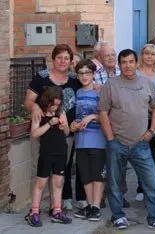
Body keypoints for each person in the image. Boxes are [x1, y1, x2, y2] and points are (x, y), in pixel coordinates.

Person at [99, 49, 155, 230]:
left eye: (131, 62)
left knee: (152, 182)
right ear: (119, 64)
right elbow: (103, 112)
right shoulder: (110, 85)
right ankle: (118, 216)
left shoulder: (146, 83)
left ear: (135, 63)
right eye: (124, 62)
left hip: (141, 144)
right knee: (115, 184)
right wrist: (110, 137)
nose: (128, 65)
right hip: (117, 143)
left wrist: (152, 131)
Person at [24, 44, 84, 211]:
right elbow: (28, 101)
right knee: (39, 167)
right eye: (59, 57)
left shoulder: (74, 79)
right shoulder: (41, 78)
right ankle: (34, 207)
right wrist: (34, 107)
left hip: (65, 133)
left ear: (71, 61)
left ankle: (54, 207)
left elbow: (88, 88)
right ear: (53, 59)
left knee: (60, 169)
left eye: (66, 58)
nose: (63, 61)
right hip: (41, 133)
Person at [25, 87, 72, 227]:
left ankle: (56, 211)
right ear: (47, 101)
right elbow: (34, 134)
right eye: (54, 104)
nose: (56, 107)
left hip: (61, 152)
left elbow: (67, 132)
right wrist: (48, 124)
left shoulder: (61, 112)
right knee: (41, 183)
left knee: (58, 183)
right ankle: (34, 212)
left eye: (58, 104)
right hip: (46, 153)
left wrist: (65, 127)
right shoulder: (40, 114)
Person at [71, 60, 107, 222]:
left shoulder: (101, 92)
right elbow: (75, 116)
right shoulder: (77, 92)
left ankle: (96, 206)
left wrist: (93, 116)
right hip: (81, 140)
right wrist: (73, 124)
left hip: (98, 140)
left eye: (87, 73)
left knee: (97, 175)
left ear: (93, 74)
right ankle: (91, 205)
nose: (84, 76)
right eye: (81, 73)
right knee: (85, 175)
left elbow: (109, 115)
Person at [134, 44, 155, 202]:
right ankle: (141, 187)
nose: (149, 57)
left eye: (153, 54)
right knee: (140, 155)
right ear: (142, 55)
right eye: (147, 53)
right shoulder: (135, 72)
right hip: (138, 118)